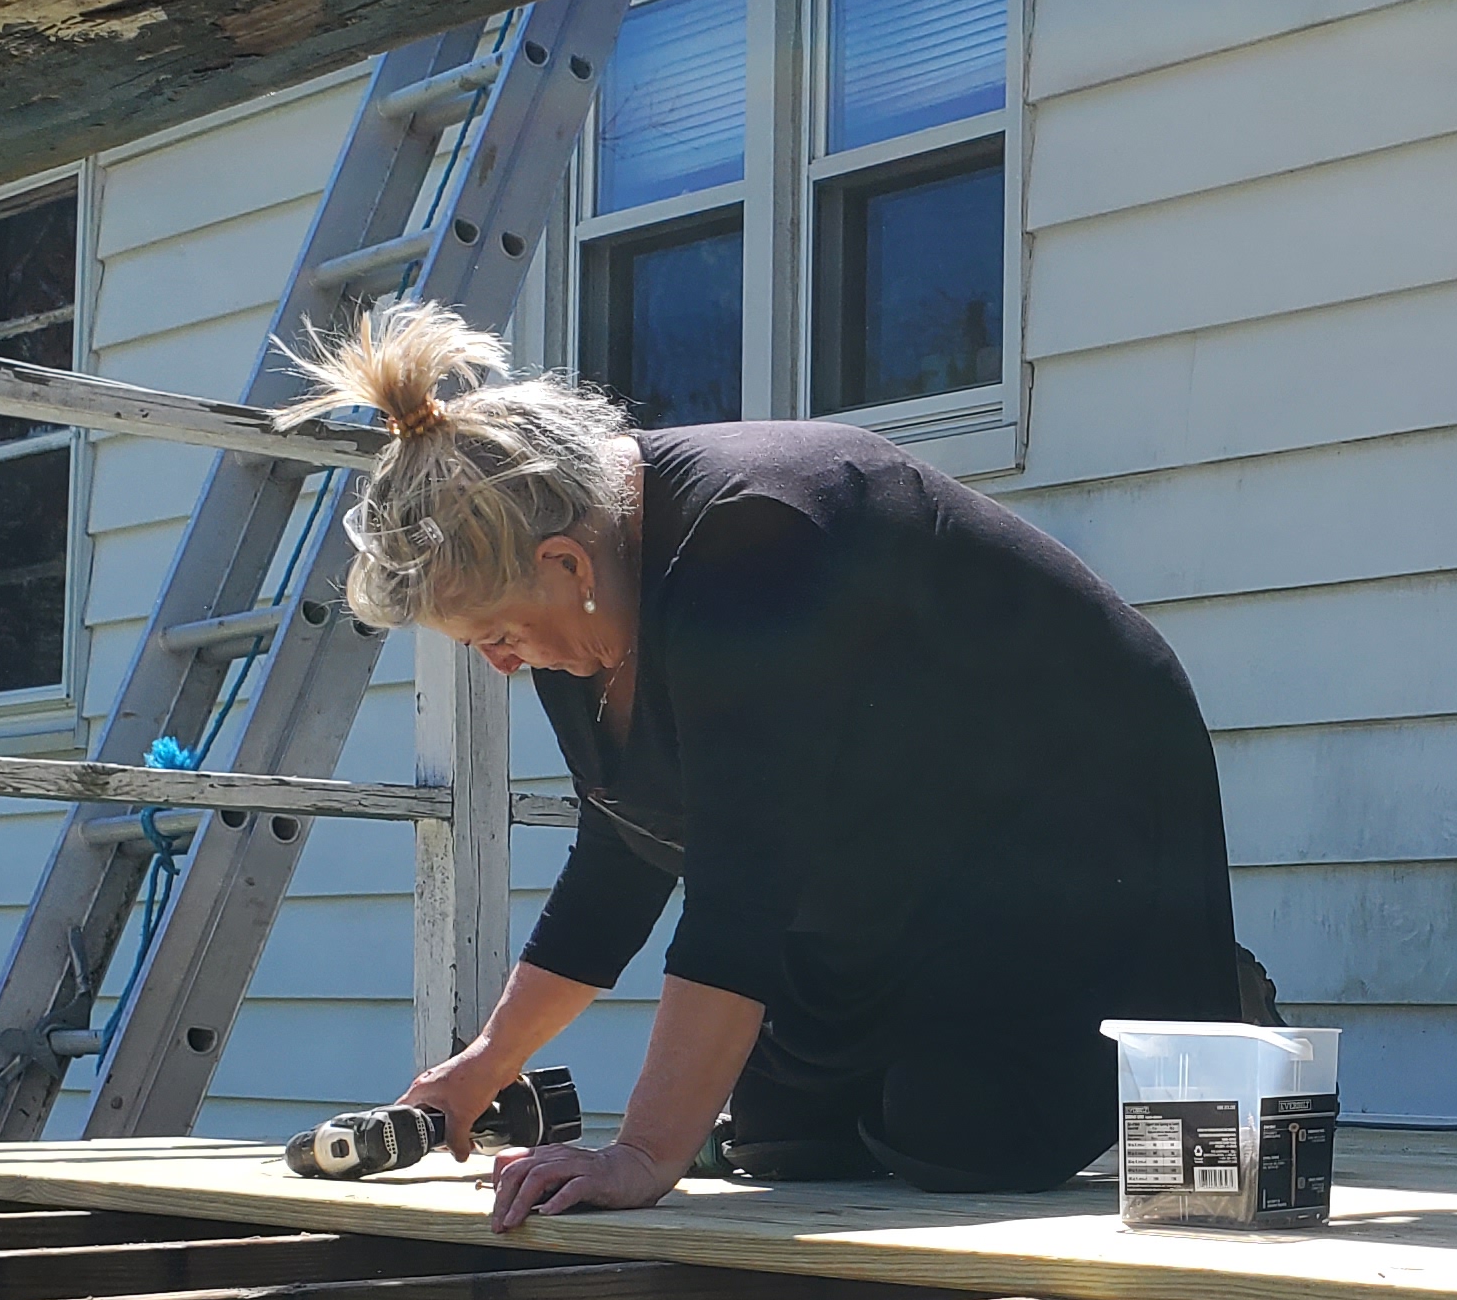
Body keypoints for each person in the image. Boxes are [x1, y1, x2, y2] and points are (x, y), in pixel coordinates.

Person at [282, 305, 1243, 1227]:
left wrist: (644, 1154)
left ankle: (1200, 989)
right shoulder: (580, 612)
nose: (497, 661)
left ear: (568, 565)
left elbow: (742, 882)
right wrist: (485, 1063)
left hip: (1071, 814)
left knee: (965, 1146)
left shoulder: (758, 540)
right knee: (788, 1145)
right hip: (893, 831)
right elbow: (623, 855)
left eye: (496, 633)